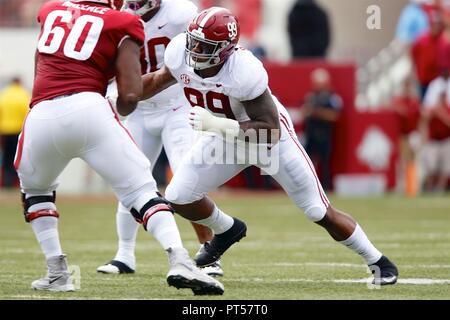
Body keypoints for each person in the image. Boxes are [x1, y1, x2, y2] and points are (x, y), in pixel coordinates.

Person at [141, 7, 399, 285]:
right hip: (224, 137)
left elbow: (270, 131)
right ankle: (227, 229)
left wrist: (217, 125)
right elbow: (157, 80)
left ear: (225, 49)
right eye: (194, 41)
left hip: (268, 141)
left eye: (205, 46)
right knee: (179, 195)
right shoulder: (180, 52)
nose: (195, 49)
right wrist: (118, 94)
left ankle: (378, 261)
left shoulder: (243, 70)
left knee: (318, 211)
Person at [16, 0, 223, 295]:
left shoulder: (50, 9)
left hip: (42, 112)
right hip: (93, 107)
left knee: (35, 191)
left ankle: (57, 271)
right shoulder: (121, 20)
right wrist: (117, 111)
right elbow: (128, 93)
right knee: (140, 190)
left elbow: (45, 58)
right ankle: (178, 259)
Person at [96, 0, 223, 277]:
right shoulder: (118, 17)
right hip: (139, 110)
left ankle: (209, 254)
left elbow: (204, 52)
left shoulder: (182, 13)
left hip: (177, 106)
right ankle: (125, 254)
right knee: (128, 179)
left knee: (186, 180)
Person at [302, 68, 342, 191]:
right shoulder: (311, 96)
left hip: (324, 135)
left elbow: (334, 115)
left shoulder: (332, 97)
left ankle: (326, 187)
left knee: (325, 163)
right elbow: (304, 112)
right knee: (307, 163)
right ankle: (308, 187)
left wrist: (317, 112)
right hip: (311, 134)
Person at [0, 77, 29, 188]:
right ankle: (17, 183)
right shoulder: (24, 95)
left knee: (6, 158)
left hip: (5, 131)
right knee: (18, 157)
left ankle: (7, 182)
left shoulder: (4, 95)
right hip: (18, 131)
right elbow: (27, 113)